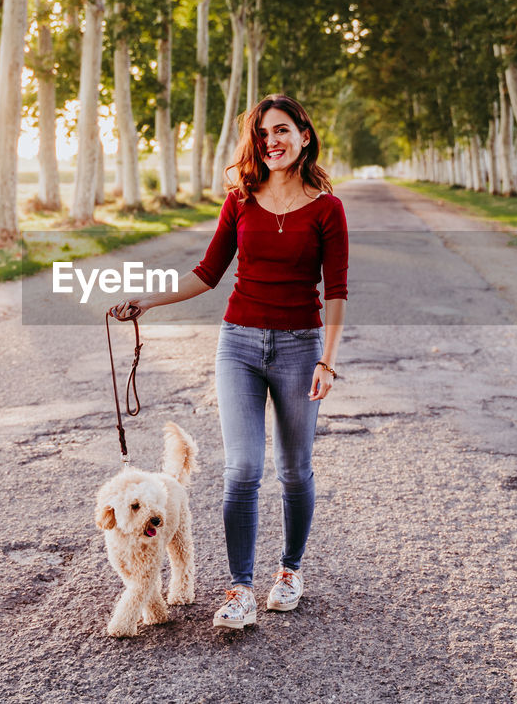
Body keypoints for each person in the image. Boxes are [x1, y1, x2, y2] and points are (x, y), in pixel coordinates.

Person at [110, 93, 348, 630]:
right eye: (264, 134)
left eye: (283, 131)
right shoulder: (241, 198)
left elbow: (336, 290)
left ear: (304, 137)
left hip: (300, 346)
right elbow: (207, 272)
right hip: (238, 343)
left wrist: (326, 362)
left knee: (293, 469)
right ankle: (240, 588)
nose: (273, 142)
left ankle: (289, 572)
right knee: (242, 470)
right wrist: (147, 299)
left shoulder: (327, 209)